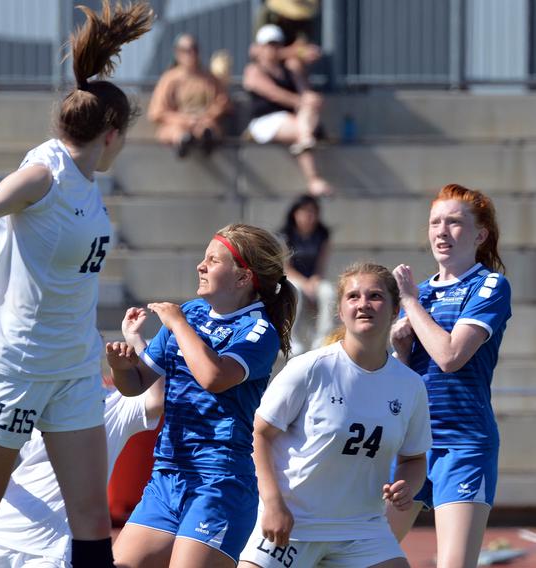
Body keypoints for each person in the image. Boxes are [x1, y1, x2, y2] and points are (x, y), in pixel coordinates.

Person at [0, 3, 154, 567]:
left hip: (71, 368)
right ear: (112, 134)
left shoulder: (89, 186)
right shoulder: (47, 171)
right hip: (17, 365)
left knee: (90, 521)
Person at [107, 224, 297, 567]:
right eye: (204, 258)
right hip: (168, 475)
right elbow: (135, 385)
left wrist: (178, 325)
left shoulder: (257, 330)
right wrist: (122, 367)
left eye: (213, 259)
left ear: (242, 278)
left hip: (219, 483)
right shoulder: (190, 313)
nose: (201, 265)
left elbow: (214, 377)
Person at [0, 311, 164, 568]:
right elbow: (1, 473)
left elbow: (155, 400)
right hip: (0, 532)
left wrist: (135, 339)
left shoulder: (113, 404)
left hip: (52, 549)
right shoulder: (26, 397)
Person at [237, 262, 432, 568]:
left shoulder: (410, 385)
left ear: (395, 311)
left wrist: (407, 485)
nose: (364, 304)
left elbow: (414, 459)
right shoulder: (311, 367)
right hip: (294, 523)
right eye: (353, 296)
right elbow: (260, 434)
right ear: (341, 311)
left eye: (376, 296)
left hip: (362, 529)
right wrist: (272, 505)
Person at [387, 184, 512, 568]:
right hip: (413, 443)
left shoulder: (488, 284)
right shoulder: (421, 291)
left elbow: (451, 356)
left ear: (480, 235)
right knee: (361, 554)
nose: (442, 231)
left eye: (455, 223)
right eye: (435, 222)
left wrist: (408, 301)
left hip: (463, 442)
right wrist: (401, 349)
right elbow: (405, 380)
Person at [243, 24, 331, 196]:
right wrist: (302, 101)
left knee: (304, 121)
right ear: (260, 47)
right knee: (302, 129)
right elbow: (274, 94)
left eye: (276, 44)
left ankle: (307, 141)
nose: (273, 49)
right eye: (269, 45)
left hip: (292, 119)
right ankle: (313, 178)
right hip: (265, 122)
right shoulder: (253, 71)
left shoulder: (289, 69)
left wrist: (310, 99)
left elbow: (304, 91)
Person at [148, 34, 231, 158]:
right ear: (178, 53)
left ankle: (206, 142)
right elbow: (156, 112)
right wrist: (185, 120)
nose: (191, 54)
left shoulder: (210, 78)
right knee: (175, 133)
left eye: (195, 49)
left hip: (205, 123)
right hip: (177, 125)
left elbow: (223, 103)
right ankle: (184, 142)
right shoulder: (169, 79)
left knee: (209, 130)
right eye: (187, 50)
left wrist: (205, 117)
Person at [279, 194, 335, 354]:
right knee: (295, 291)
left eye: (313, 212)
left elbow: (321, 264)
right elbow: (285, 267)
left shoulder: (322, 235)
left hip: (314, 279)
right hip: (292, 278)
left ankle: (323, 338)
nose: (309, 217)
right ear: (295, 213)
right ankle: (290, 338)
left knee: (329, 293)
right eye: (305, 212)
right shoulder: (285, 235)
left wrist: (315, 280)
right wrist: (305, 283)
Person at [254, 0, 322, 82]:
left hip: (291, 69)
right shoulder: (267, 15)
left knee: (294, 63)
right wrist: (298, 52)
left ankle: (303, 91)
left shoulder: (305, 19)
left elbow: (303, 45)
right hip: (269, 69)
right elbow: (261, 52)